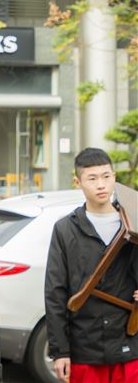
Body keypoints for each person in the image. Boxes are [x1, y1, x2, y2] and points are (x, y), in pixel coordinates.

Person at [45, 147, 138, 383]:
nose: (101, 185)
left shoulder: (134, 223)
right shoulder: (65, 229)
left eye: (106, 177)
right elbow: (55, 293)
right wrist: (60, 352)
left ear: (114, 178)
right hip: (85, 349)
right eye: (92, 178)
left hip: (130, 345)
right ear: (78, 182)